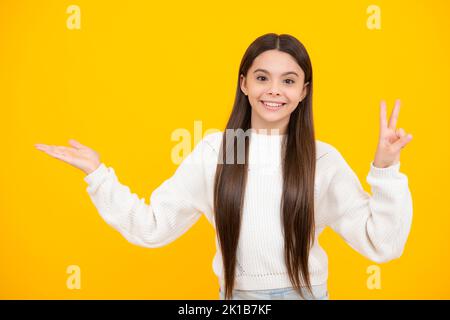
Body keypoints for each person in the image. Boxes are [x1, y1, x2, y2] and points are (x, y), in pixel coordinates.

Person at [34, 33, 414, 300]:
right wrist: (99, 175)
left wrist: (386, 170)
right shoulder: (222, 150)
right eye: (262, 78)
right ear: (244, 83)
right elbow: (152, 228)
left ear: (304, 91)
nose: (274, 90)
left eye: (289, 81)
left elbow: (383, 244)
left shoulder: (319, 158)